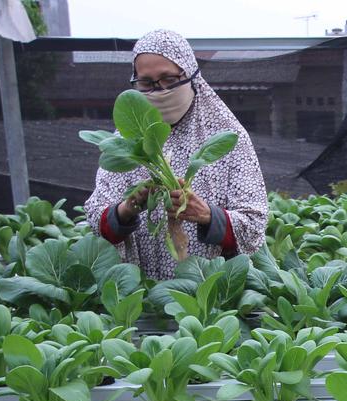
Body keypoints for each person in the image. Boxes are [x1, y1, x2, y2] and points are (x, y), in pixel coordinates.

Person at [85, 29, 266, 280]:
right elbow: (96, 220)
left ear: (191, 75)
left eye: (169, 79)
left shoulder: (228, 137)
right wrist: (126, 209)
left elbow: (254, 227)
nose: (160, 90)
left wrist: (206, 215)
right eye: (146, 83)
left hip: (215, 293)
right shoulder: (124, 142)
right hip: (143, 293)